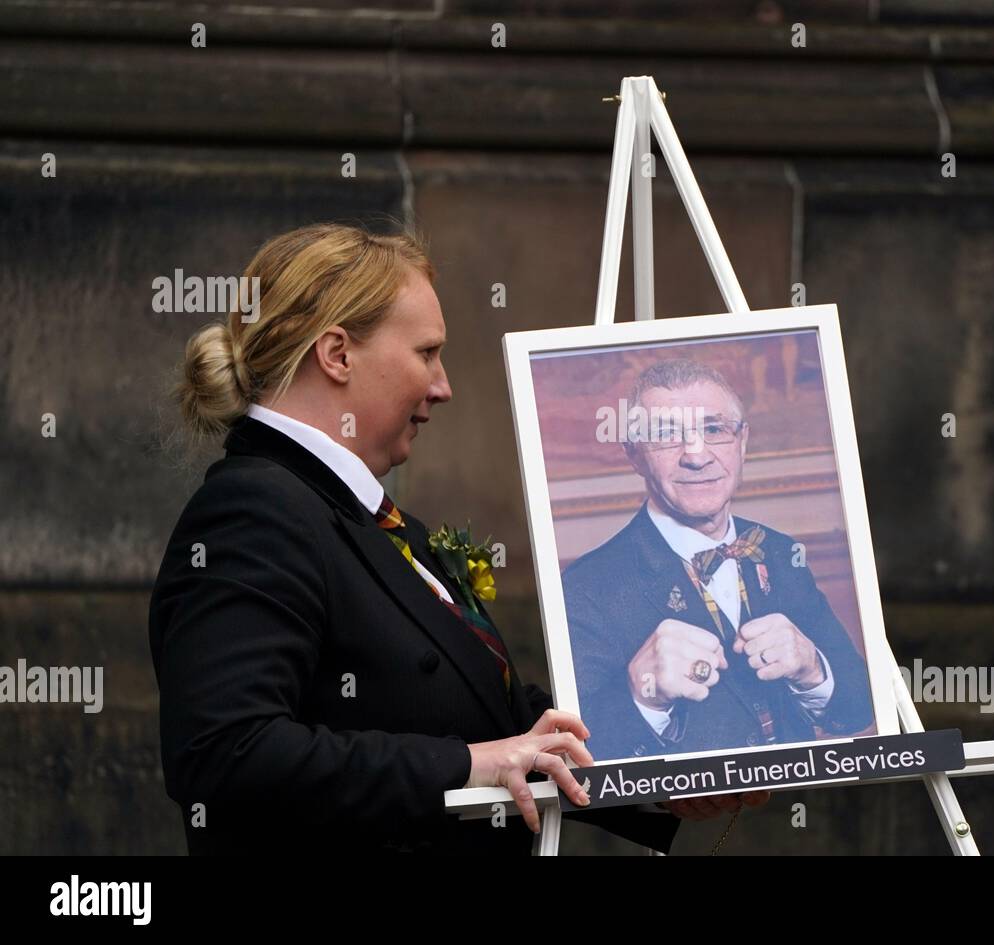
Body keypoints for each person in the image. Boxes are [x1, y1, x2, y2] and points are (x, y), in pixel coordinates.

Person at [149, 223, 766, 855]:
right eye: (426, 353)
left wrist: (657, 774)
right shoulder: (252, 511)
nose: (443, 387)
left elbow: (497, 722)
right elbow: (225, 756)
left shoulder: (362, 517)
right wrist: (470, 766)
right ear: (337, 354)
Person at [562, 358, 876, 762]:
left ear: (742, 442)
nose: (696, 455)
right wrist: (644, 696)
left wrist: (813, 667)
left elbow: (858, 709)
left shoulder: (780, 551)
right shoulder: (587, 585)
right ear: (634, 455)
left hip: (793, 807)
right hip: (689, 822)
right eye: (665, 435)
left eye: (713, 429)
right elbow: (577, 762)